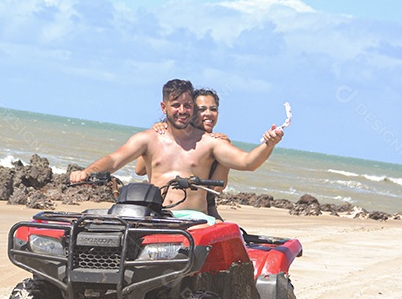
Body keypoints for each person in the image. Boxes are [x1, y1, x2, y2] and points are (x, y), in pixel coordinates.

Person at [68, 79, 285, 217]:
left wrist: (269, 143)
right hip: (153, 216)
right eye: (176, 105)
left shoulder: (210, 142)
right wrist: (87, 172)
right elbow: (115, 160)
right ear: (164, 107)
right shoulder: (149, 137)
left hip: (194, 221)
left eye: (187, 106)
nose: (182, 111)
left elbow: (247, 162)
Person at [135, 88, 229, 219]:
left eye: (213, 109)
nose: (208, 114)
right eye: (201, 110)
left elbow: (216, 188)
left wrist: (226, 155)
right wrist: (156, 137)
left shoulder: (218, 143)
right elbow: (139, 170)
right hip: (159, 210)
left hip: (202, 211)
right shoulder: (167, 134)